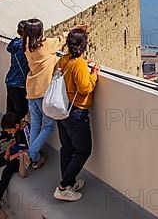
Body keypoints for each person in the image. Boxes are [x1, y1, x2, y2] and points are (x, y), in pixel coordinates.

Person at [23, 19, 84, 169]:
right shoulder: (46, 44)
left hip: (31, 90)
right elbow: (62, 39)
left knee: (36, 124)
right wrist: (74, 28)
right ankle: (31, 154)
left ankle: (34, 158)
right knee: (49, 126)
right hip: (44, 92)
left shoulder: (26, 46)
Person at [53, 28, 99, 202]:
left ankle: (68, 182)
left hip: (62, 109)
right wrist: (93, 75)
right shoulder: (78, 63)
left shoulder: (63, 60)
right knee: (83, 150)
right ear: (83, 45)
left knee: (67, 148)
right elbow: (85, 88)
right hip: (76, 112)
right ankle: (63, 187)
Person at [5, 20, 29, 119]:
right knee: (20, 112)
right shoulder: (26, 47)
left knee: (10, 111)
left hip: (10, 80)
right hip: (20, 83)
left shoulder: (14, 44)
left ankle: (6, 132)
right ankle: (15, 132)